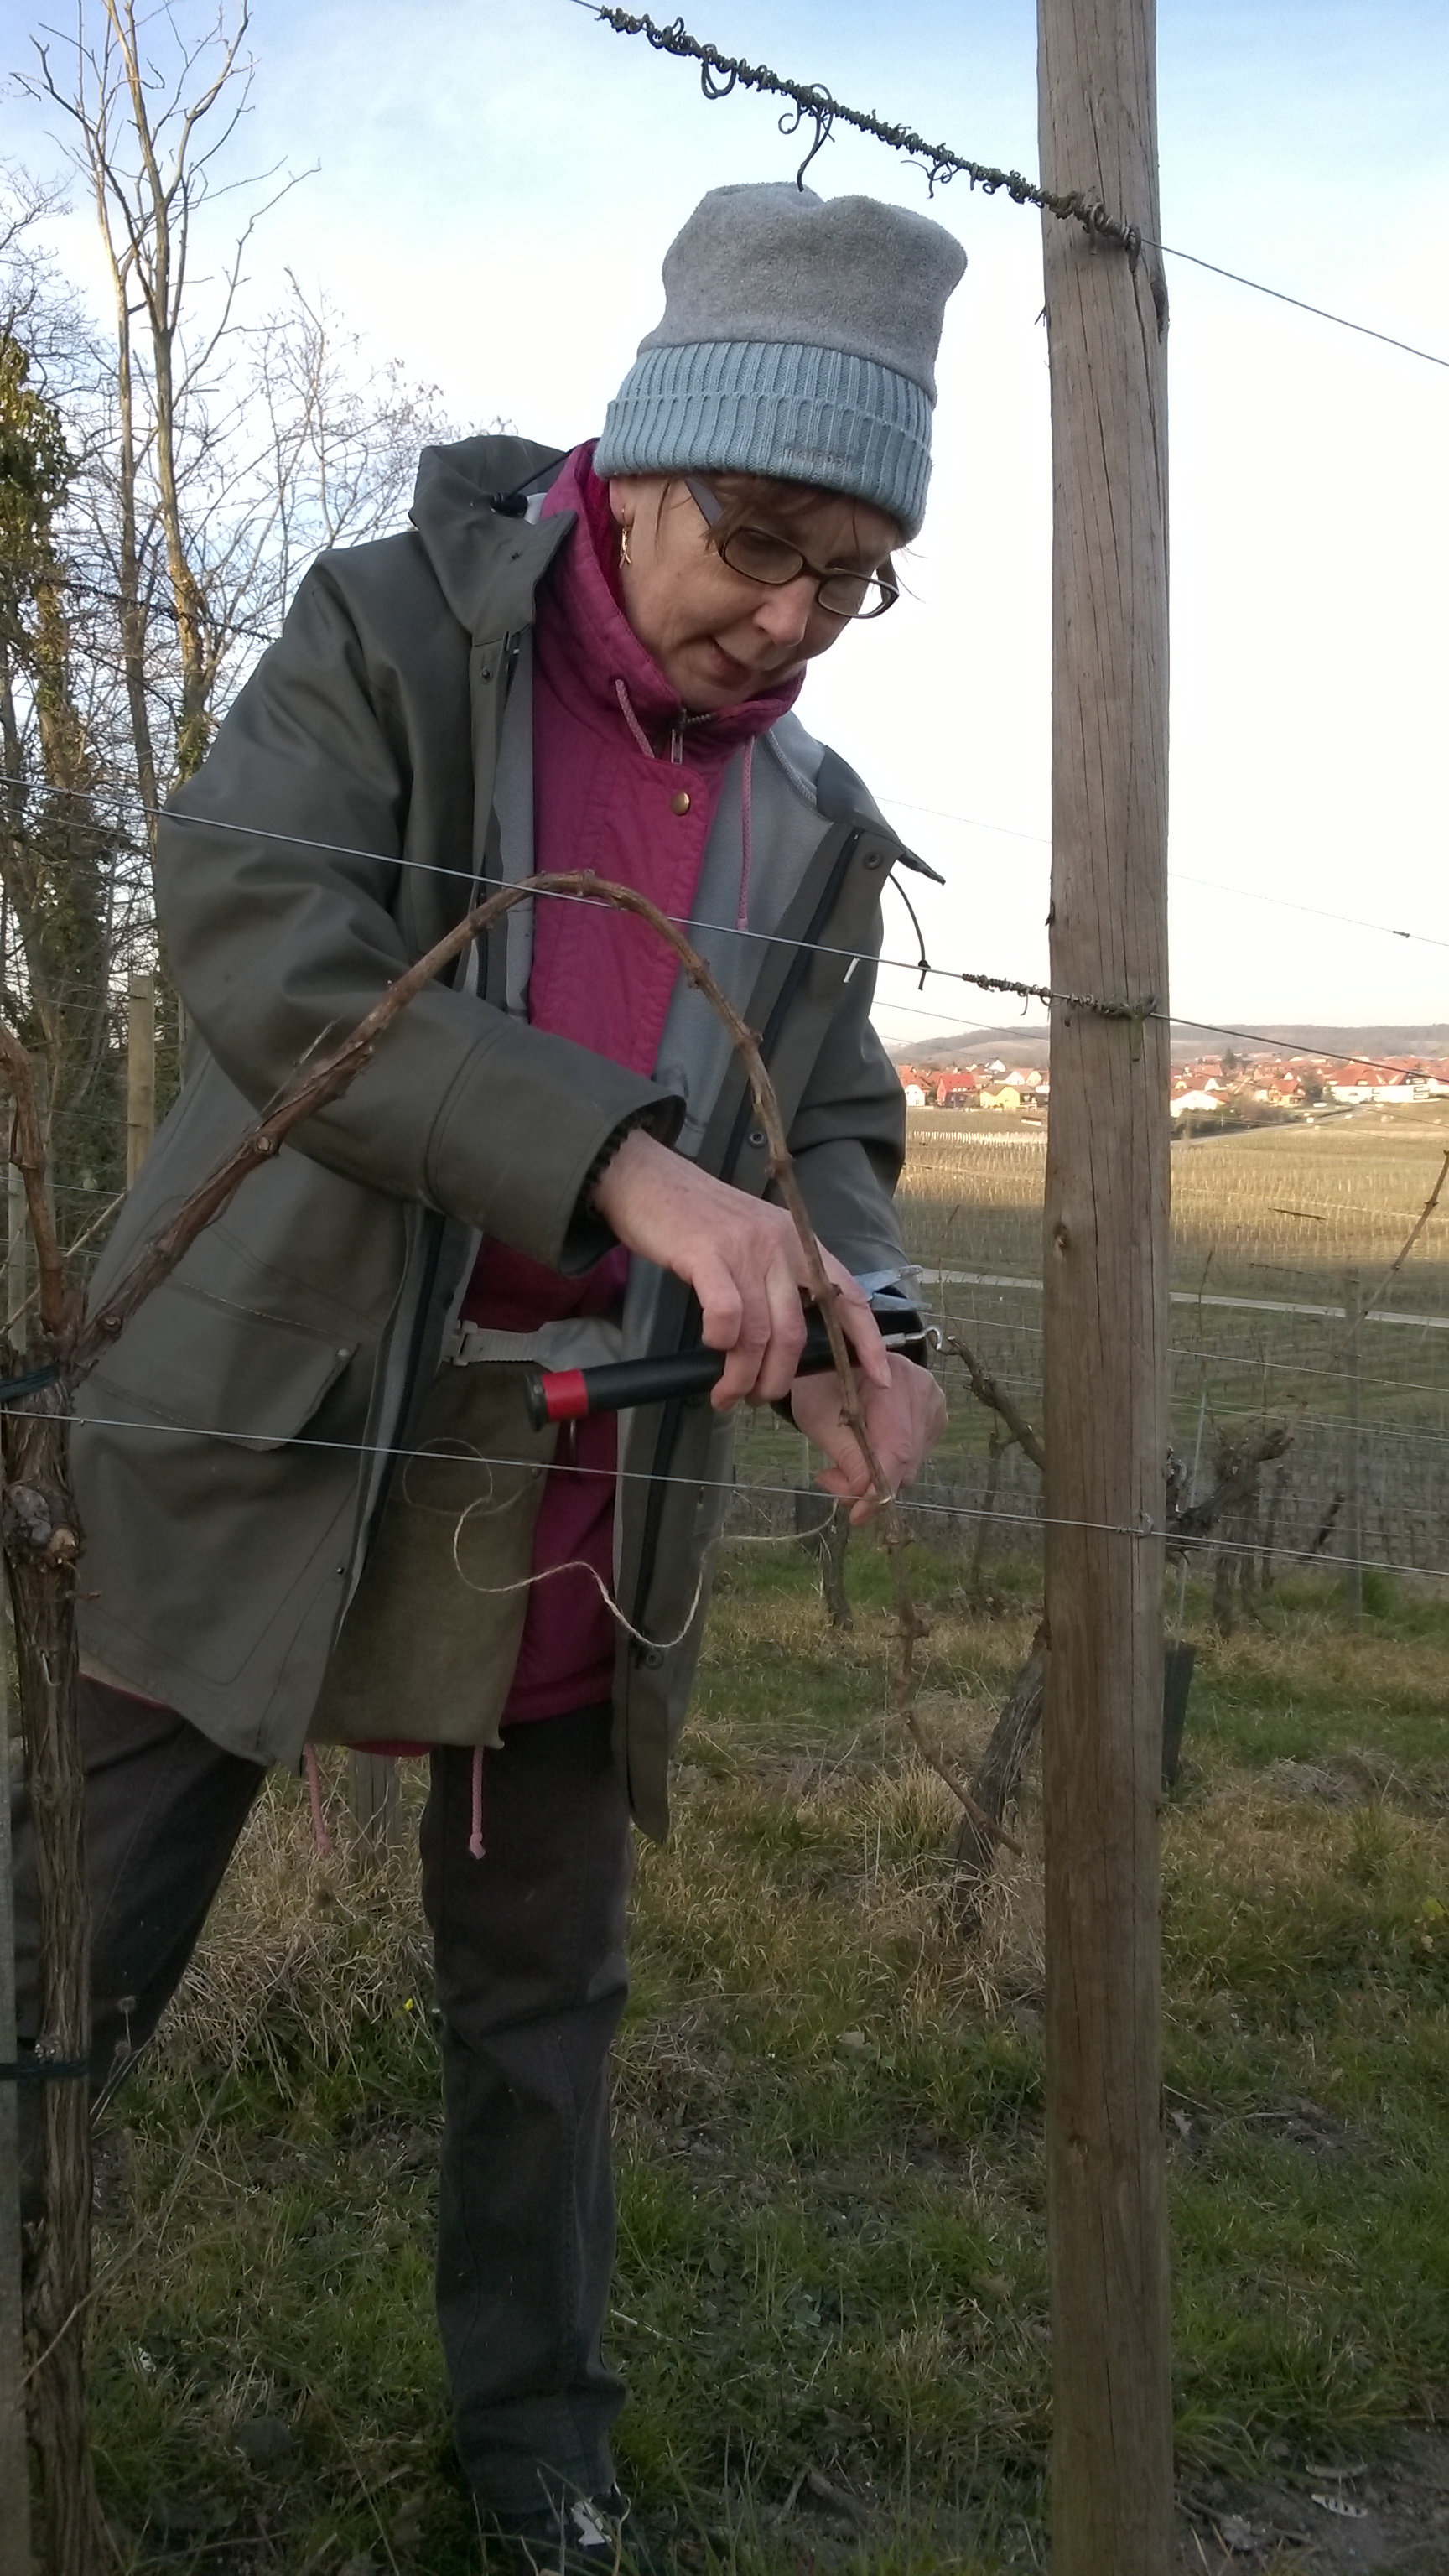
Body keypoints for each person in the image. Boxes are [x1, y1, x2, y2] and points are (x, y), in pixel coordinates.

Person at [13, 181, 961, 2572]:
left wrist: (872, 1308)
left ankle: (541, 2461)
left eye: (854, 577)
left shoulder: (813, 820)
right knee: (59, 1972)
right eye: (762, 539)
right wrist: (630, 1173)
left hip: (578, 1497)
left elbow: (837, 1116)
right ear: (639, 464)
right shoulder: (387, 639)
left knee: (543, 2025)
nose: (794, 618)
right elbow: (261, 935)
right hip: (250, 1448)